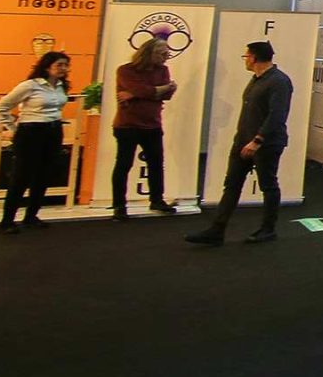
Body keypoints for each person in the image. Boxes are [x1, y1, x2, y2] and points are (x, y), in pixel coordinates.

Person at [187, 42, 293, 246]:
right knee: (232, 184)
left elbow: (277, 115)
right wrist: (244, 139)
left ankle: (268, 229)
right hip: (243, 140)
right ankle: (217, 230)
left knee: (268, 184)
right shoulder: (256, 79)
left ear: (254, 58)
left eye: (246, 56)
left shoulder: (279, 82)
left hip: (266, 143)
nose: (245, 60)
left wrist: (258, 140)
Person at [0, 51, 73, 233]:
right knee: (21, 176)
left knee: (44, 175)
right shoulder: (30, 85)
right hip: (31, 131)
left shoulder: (61, 86)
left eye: (66, 65)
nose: (63, 69)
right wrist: (13, 128)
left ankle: (31, 216)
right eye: (59, 65)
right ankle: (7, 220)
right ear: (47, 67)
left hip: (53, 130)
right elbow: (1, 107)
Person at [111, 35, 180, 217]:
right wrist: (159, 89)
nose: (166, 57)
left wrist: (136, 94)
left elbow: (165, 95)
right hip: (127, 125)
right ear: (149, 53)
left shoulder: (163, 70)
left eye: (167, 53)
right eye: (162, 53)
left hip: (152, 125)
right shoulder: (125, 70)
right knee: (124, 164)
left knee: (156, 164)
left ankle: (157, 200)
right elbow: (145, 90)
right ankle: (119, 205)